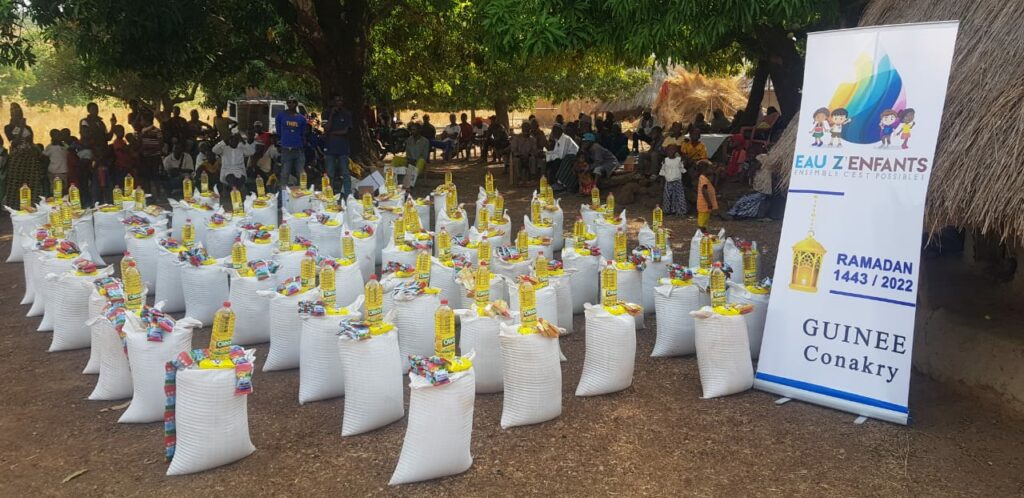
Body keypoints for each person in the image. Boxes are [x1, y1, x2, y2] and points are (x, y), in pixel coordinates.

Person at [3, 103, 44, 208]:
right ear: (11, 116)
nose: (18, 117)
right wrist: (20, 128)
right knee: (16, 182)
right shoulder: (8, 127)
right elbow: (14, 143)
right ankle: (14, 205)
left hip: (29, 158)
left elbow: (31, 142)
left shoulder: (28, 128)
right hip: (17, 159)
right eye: (15, 115)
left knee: (31, 181)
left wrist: (36, 153)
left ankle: (31, 204)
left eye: (19, 115)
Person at [322, 94, 353, 196]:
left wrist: (334, 133)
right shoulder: (326, 113)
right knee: (330, 173)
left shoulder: (347, 114)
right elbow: (326, 128)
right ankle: (329, 195)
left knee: (345, 173)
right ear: (332, 102)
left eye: (340, 100)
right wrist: (331, 115)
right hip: (330, 148)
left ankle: (348, 195)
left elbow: (346, 131)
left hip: (343, 148)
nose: (339, 102)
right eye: (336, 100)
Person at [212, 129, 255, 201]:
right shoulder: (224, 148)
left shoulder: (241, 148)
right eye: (232, 139)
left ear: (238, 141)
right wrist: (224, 141)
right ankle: (235, 193)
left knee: (241, 179)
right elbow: (214, 150)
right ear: (229, 140)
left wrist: (243, 141)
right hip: (227, 171)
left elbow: (252, 152)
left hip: (240, 171)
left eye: (236, 140)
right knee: (231, 177)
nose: (234, 141)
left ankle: (235, 194)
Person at [728, 154, 773, 219]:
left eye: (758, 162)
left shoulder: (765, 174)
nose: (756, 164)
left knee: (743, 201)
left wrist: (750, 191)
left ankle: (736, 214)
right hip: (758, 192)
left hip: (761, 194)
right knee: (742, 199)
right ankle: (735, 213)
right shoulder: (759, 171)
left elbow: (762, 189)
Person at [275, 96, 307, 186]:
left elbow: (303, 134)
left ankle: (302, 196)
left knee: (301, 175)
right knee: (285, 174)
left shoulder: (301, 118)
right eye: (289, 102)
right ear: (287, 103)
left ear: (296, 104)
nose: (291, 104)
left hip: (298, 150)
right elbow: (279, 132)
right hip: (286, 150)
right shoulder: (280, 116)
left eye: (293, 102)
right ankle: (283, 197)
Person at [545, 125, 579, 193]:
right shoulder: (558, 139)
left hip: (573, 158)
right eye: (553, 131)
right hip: (565, 157)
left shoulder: (565, 139)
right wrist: (546, 154)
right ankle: (551, 182)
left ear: (560, 131)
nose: (553, 133)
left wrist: (549, 156)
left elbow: (561, 156)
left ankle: (559, 183)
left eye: (555, 131)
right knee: (549, 161)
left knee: (556, 161)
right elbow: (555, 152)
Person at [138, 109, 164, 196]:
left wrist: (151, 152)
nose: (140, 122)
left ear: (147, 121)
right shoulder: (142, 131)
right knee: (147, 176)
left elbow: (161, 144)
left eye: (142, 120)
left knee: (155, 176)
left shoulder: (157, 131)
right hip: (145, 157)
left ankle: (158, 194)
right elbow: (140, 143)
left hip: (154, 157)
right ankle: (149, 194)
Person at [659, 145, 687, 215]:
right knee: (667, 197)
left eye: (673, 150)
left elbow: (682, 169)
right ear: (666, 152)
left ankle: (681, 211)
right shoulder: (665, 160)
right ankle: (667, 211)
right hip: (668, 181)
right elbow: (663, 171)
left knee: (679, 196)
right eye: (669, 150)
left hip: (677, 181)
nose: (671, 152)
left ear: (676, 151)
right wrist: (662, 182)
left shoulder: (679, 160)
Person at [402, 123, 430, 188]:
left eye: (414, 130)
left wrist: (415, 160)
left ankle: (408, 184)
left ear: (419, 130)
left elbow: (424, 156)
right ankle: (393, 182)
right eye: (411, 130)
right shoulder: (409, 140)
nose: (412, 131)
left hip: (420, 161)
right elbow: (407, 153)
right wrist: (409, 159)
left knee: (420, 162)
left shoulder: (425, 141)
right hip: (410, 160)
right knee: (396, 160)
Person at [110, 125, 134, 192]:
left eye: (122, 131)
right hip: (121, 166)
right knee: (121, 184)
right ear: (115, 133)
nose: (122, 133)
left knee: (128, 183)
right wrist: (132, 143)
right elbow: (123, 150)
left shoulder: (123, 141)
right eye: (119, 131)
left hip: (126, 165)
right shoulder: (117, 142)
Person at [695, 160, 717, 230]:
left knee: (705, 220)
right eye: (710, 168)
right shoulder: (703, 179)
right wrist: (709, 202)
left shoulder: (704, 178)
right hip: (704, 204)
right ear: (705, 169)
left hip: (705, 204)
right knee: (702, 222)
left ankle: (703, 232)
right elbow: (704, 191)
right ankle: (701, 233)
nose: (711, 170)